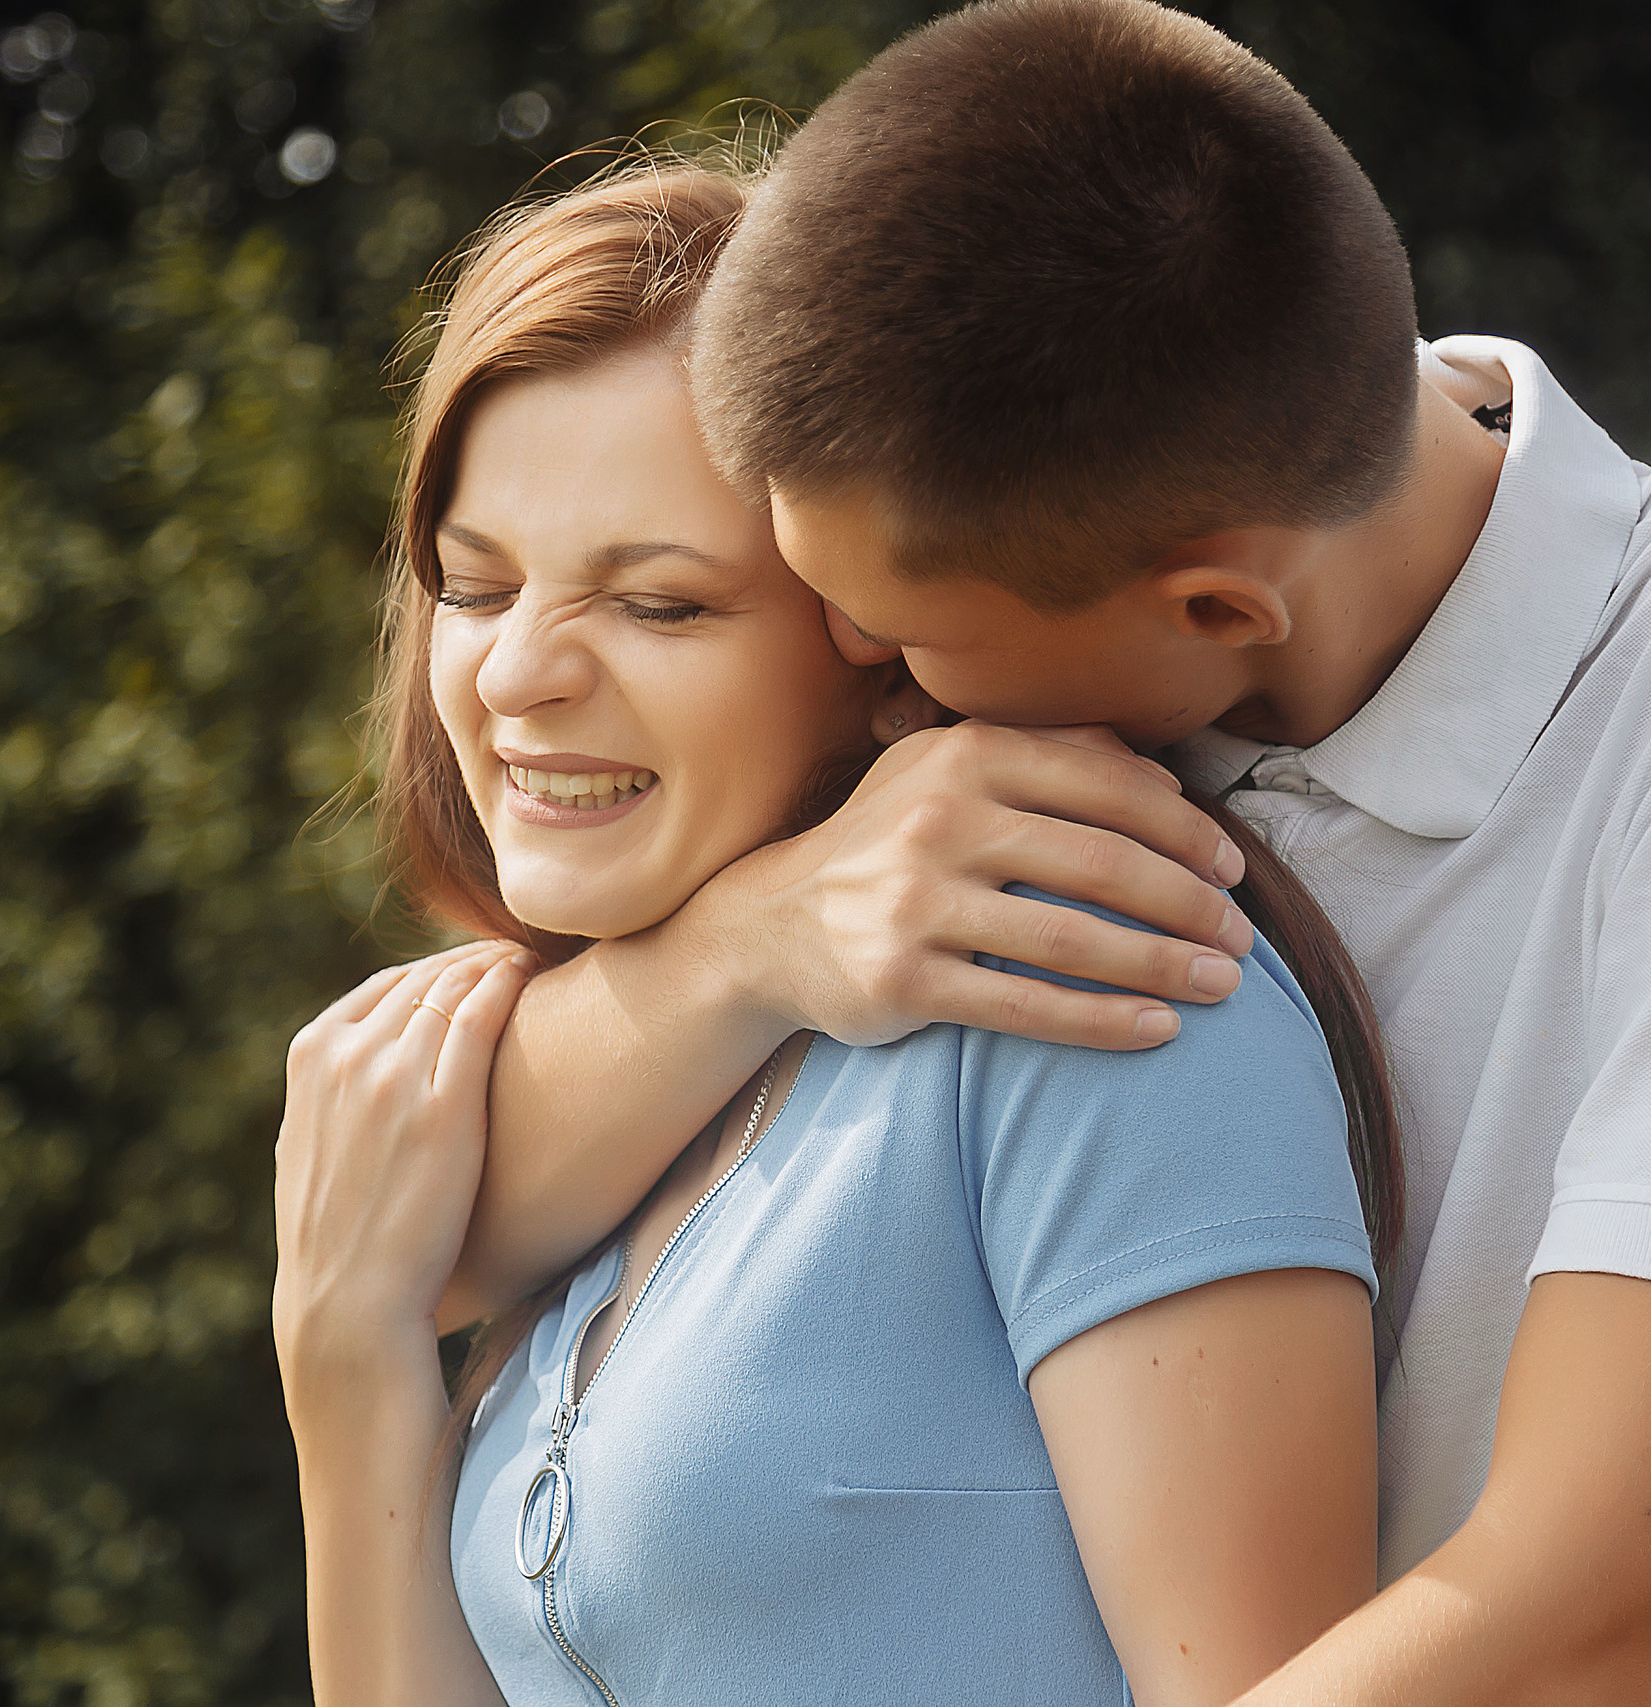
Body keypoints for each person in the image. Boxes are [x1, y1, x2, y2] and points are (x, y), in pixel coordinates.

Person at [421, 3, 1651, 1704]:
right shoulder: (1067, 510)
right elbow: (440, 1216)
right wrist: (750, 942)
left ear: (1213, 608)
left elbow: (1610, 1615)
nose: (855, 668)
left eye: (901, 632)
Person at [273, 165, 1400, 1707]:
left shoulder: (1096, 990)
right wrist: (347, 1371)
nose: (516, 675)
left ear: (882, 637)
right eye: (475, 586)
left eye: (659, 606)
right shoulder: (593, 1102)